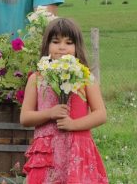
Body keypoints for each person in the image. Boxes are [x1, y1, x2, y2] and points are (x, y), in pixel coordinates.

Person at [20, 18, 108, 183]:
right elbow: (25, 117)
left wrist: (73, 125)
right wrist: (49, 113)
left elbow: (101, 114)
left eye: (68, 42)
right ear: (47, 45)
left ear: (77, 48)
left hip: (77, 150)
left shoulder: (85, 77)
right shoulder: (36, 78)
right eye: (56, 41)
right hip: (47, 151)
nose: (62, 47)